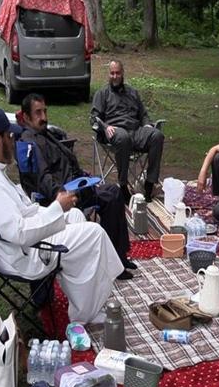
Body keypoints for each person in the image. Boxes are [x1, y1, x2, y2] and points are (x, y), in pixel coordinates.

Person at [0, 108, 125, 325]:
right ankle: (83, 315)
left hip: (20, 244)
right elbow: (18, 233)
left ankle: (82, 303)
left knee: (77, 216)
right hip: (20, 255)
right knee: (94, 233)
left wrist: (57, 207)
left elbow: (24, 211)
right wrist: (56, 209)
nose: (13, 142)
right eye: (9, 136)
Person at [16, 93, 136, 273]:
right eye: (38, 113)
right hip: (63, 197)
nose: (44, 117)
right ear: (26, 117)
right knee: (111, 195)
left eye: (45, 111)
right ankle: (112, 263)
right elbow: (42, 178)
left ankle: (118, 256)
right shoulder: (29, 143)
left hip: (76, 187)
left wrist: (84, 179)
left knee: (113, 191)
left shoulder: (45, 134)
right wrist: (61, 194)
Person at [90, 60, 164, 202]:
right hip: (115, 132)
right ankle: (123, 185)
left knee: (157, 135)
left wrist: (147, 124)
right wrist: (105, 127)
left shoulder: (132, 92)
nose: (115, 76)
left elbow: (143, 115)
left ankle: (149, 183)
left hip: (135, 131)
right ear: (108, 74)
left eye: (117, 73)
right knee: (123, 137)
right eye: (112, 73)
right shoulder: (102, 94)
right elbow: (94, 118)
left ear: (122, 73)